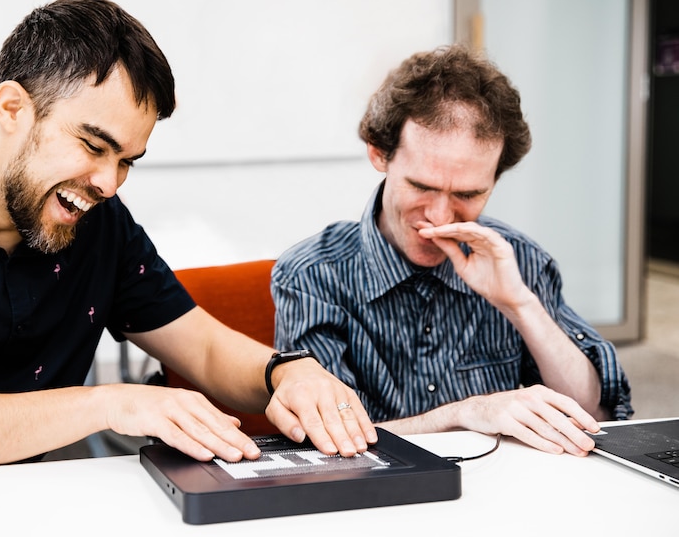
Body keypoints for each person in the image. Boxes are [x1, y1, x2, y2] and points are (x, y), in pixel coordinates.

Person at [0, 0, 376, 469]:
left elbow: (202, 347)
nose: (109, 182)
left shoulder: (97, 221)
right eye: (93, 145)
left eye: (128, 160)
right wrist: (108, 405)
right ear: (12, 107)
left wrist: (287, 371)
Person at [271, 44, 633, 458]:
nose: (441, 216)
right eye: (422, 186)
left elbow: (599, 416)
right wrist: (463, 414)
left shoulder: (518, 258)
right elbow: (327, 445)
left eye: (469, 193)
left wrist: (519, 304)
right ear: (378, 153)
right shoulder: (312, 274)